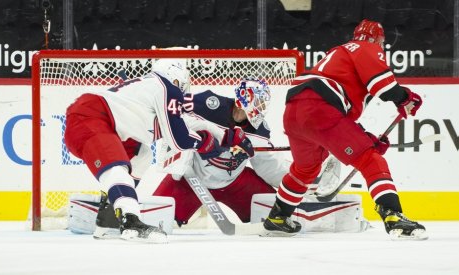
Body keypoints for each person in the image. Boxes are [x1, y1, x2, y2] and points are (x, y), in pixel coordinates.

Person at [262, 19, 427, 240]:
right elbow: (383, 87)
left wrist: (365, 138)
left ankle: (278, 217)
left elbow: (338, 123)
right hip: (319, 110)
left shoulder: (339, 52)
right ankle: (393, 215)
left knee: (305, 169)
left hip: (295, 111)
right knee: (371, 160)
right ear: (378, 39)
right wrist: (405, 98)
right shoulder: (366, 47)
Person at [63, 59, 225, 243]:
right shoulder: (166, 88)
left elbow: (182, 125)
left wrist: (218, 136)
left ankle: (108, 218)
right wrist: (203, 143)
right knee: (117, 169)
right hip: (90, 118)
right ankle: (130, 218)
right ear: (176, 76)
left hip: (102, 121)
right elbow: (179, 139)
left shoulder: (150, 87)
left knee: (142, 154)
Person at [152, 78, 339, 233]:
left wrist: (299, 183)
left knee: (278, 214)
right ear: (244, 99)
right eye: (258, 101)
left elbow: (268, 166)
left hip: (237, 183)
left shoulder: (260, 130)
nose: (261, 107)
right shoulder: (209, 103)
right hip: (192, 180)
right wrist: (209, 135)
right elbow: (172, 118)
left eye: (264, 103)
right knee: (153, 220)